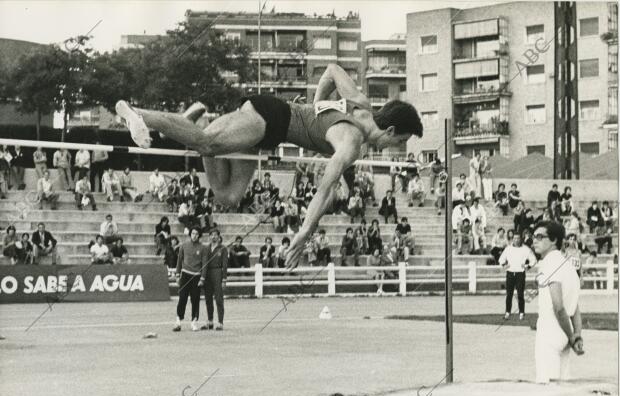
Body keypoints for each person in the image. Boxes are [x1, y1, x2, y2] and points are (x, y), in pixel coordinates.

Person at [116, 63, 423, 268]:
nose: (393, 147)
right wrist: (304, 233)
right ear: (392, 131)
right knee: (206, 144)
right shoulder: (352, 143)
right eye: (398, 141)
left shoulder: (361, 102)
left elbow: (330, 70)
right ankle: (133, 112)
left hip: (270, 134)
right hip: (272, 117)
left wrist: (316, 108)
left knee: (228, 197)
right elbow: (325, 188)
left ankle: (199, 121)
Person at [531, 221, 584, 384]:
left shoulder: (549, 263)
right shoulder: (568, 265)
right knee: (562, 389)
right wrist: (576, 335)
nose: (534, 240)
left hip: (550, 330)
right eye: (533, 237)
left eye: (540, 237)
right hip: (565, 331)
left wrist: (573, 337)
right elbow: (574, 306)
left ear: (554, 240)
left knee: (546, 388)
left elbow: (559, 307)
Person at [174, 226, 207, 332]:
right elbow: (179, 261)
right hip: (185, 275)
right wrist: (177, 275)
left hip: (196, 276)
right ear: (190, 234)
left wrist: (202, 278)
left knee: (195, 299)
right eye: (193, 233)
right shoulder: (183, 246)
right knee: (182, 298)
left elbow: (204, 264)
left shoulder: (203, 248)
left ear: (199, 235)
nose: (194, 236)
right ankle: (178, 321)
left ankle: (194, 321)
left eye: (197, 234)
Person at [498, 232, 537, 320]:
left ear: (521, 239)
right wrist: (504, 265)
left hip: (520, 274)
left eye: (518, 238)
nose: (516, 240)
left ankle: (521, 313)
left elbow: (533, 260)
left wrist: (528, 266)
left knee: (520, 294)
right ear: (512, 239)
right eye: (514, 238)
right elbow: (501, 259)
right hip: (510, 273)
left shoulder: (525, 249)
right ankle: (507, 312)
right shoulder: (508, 248)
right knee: (509, 294)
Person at [202, 228, 228, 330]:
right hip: (207, 274)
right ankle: (210, 321)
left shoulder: (223, 249)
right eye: (211, 235)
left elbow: (225, 265)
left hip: (218, 273)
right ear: (209, 237)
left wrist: (224, 279)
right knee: (208, 299)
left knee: (218, 299)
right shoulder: (206, 248)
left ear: (218, 237)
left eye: (215, 235)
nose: (213, 237)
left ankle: (220, 322)